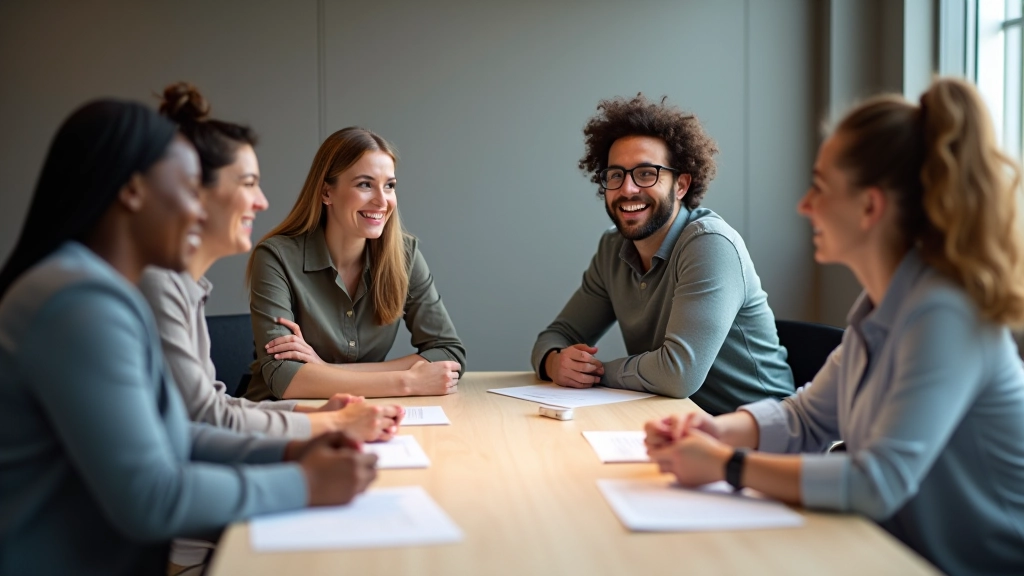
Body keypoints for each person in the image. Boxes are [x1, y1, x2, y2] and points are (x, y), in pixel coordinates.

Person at [644, 78, 1024, 574]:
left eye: (820, 187)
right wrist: (716, 432)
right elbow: (807, 419)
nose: (805, 205)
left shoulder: (945, 316)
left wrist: (727, 467)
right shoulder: (880, 307)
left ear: (870, 207)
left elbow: (876, 482)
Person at [0, 99, 377, 576]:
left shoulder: (103, 291)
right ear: (133, 191)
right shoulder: (78, 303)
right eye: (185, 188)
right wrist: (302, 482)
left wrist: (290, 449)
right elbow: (150, 497)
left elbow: (175, 434)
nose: (196, 210)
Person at [138, 83, 402, 442]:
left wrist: (321, 414)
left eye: (389, 186)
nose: (261, 202)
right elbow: (203, 420)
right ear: (193, 192)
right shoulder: (158, 286)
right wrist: (326, 427)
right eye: (248, 184)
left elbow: (216, 407)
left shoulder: (186, 287)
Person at [531, 94, 794, 414]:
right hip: (673, 423)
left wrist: (592, 373)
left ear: (681, 185)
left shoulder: (710, 244)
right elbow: (557, 335)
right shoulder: (612, 249)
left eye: (646, 173)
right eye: (615, 175)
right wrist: (555, 361)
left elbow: (678, 374)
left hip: (761, 433)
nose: (627, 189)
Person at [244, 127, 465, 401]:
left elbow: (449, 353)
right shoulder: (276, 257)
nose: (382, 201)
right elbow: (284, 378)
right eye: (365, 184)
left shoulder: (404, 254)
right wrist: (407, 382)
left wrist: (324, 370)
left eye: (389, 186)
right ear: (327, 193)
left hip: (365, 413)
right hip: (283, 418)